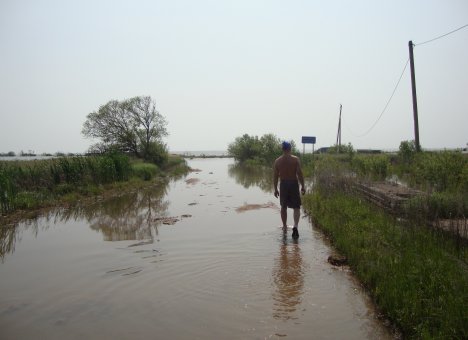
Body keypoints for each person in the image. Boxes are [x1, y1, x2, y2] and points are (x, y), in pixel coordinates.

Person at [273, 141, 305, 239]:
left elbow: (275, 177)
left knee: (283, 207)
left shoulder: (277, 161)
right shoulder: (295, 159)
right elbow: (299, 173)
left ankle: (284, 226)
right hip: (293, 183)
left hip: (283, 184)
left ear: (282, 149)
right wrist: (303, 186)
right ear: (290, 148)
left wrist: (275, 189)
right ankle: (295, 226)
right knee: (296, 207)